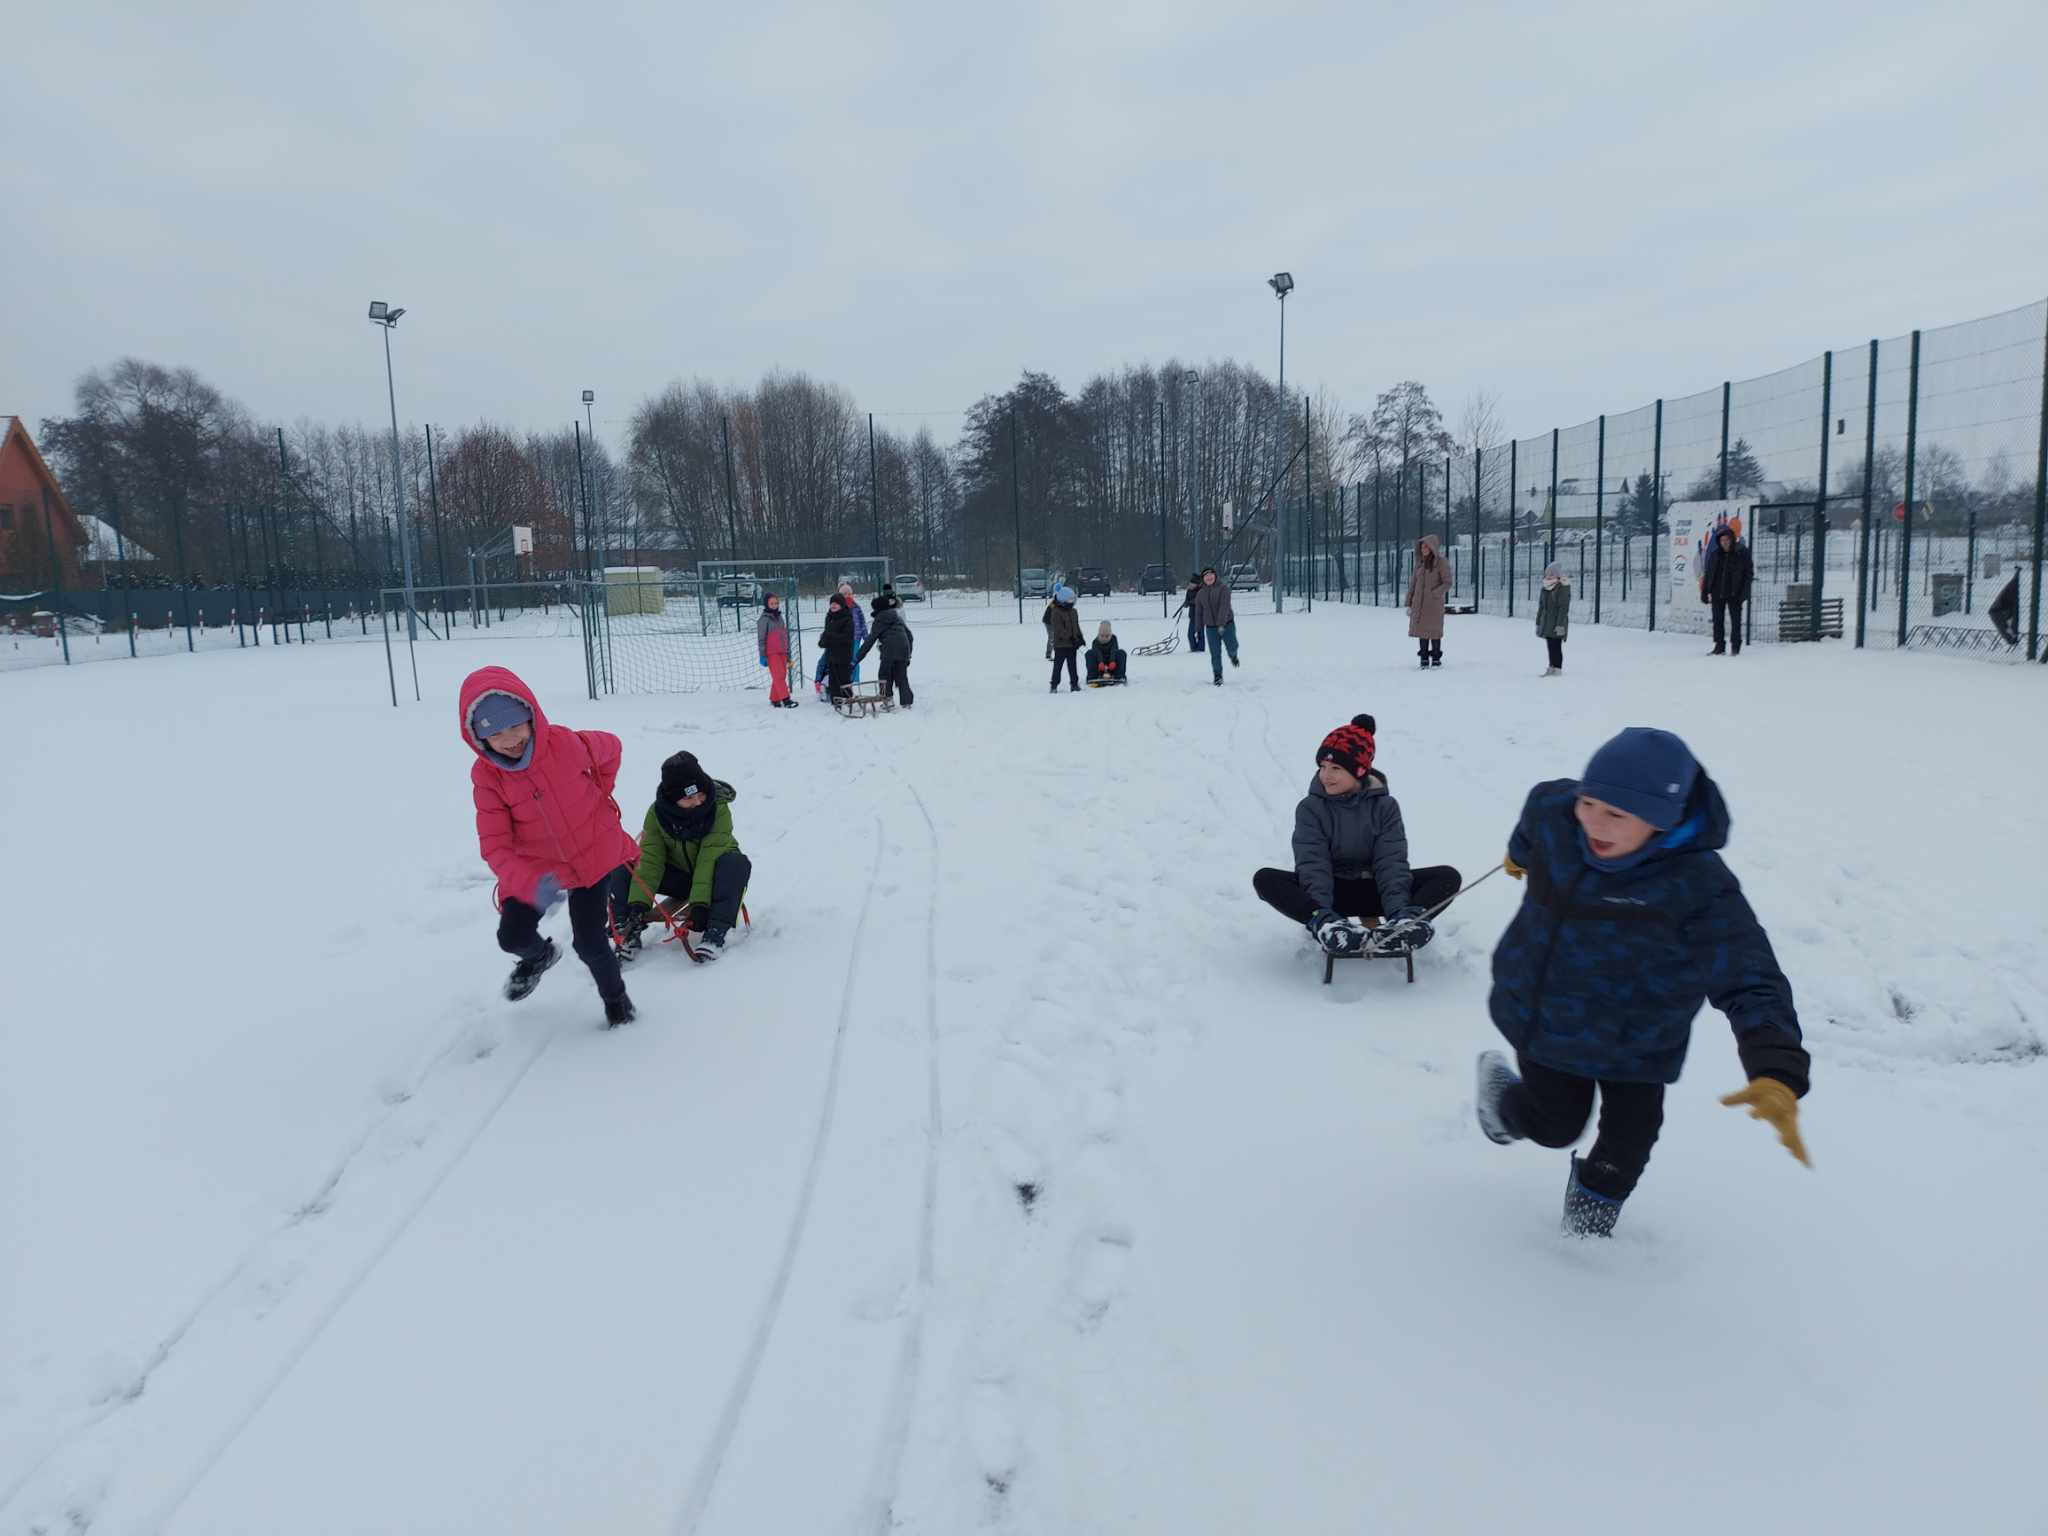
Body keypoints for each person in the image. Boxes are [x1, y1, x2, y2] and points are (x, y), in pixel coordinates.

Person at [1475, 727, 1812, 1237]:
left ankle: (1583, 1241)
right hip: (1548, 1015)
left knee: (1630, 1142)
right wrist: (1521, 854)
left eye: (1616, 814)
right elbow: (1536, 818)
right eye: (1589, 803)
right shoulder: (1555, 811)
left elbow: (1749, 972)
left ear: (1662, 819)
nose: (1593, 822)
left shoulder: (1697, 884)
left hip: (1640, 1036)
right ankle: (1501, 1102)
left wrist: (1775, 1065)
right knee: (1555, 1126)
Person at [459, 666, 641, 1027]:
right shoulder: (487, 777)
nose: (509, 739)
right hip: (537, 869)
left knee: (590, 943)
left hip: (590, 856)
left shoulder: (566, 744)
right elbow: (495, 845)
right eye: (494, 733)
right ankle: (539, 956)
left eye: (514, 726)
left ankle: (617, 1000)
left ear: (531, 716)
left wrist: (601, 793)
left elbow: (612, 748)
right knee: (512, 936)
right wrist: (527, 882)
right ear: (478, 739)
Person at [1253, 714, 1461, 956]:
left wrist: (1397, 911)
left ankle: (1406, 925)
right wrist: (1324, 913)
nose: (1326, 775)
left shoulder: (1385, 807)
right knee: (1266, 878)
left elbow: (1391, 862)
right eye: (1322, 767)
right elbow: (1313, 865)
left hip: (1375, 890)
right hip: (1332, 894)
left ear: (1360, 771)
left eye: (1336, 768)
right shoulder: (1311, 808)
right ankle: (1328, 926)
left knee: (1447, 876)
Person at [619, 750, 752, 961]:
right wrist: (638, 905)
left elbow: (709, 858)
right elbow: (650, 861)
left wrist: (700, 905)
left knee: (736, 863)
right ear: (673, 800)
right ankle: (627, 930)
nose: (699, 802)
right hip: (681, 877)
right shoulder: (657, 815)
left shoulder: (718, 808)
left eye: (701, 794)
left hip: (716, 876)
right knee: (624, 866)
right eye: (689, 797)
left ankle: (715, 933)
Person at [856, 588, 915, 707]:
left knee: (884, 674)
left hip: (889, 650)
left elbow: (870, 640)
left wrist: (857, 658)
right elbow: (910, 636)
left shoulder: (879, 619)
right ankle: (907, 702)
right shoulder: (897, 617)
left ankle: (887, 699)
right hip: (904, 648)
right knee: (902, 675)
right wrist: (908, 654)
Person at [1700, 526, 1754, 655]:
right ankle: (1719, 646)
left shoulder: (1742, 553)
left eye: (1727, 539)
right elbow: (1709, 574)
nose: (1724, 542)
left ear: (1732, 540)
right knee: (1717, 620)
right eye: (1722, 540)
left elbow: (1748, 574)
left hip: (1735, 592)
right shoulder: (1715, 554)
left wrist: (1744, 592)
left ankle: (1735, 646)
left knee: (1736, 621)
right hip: (1717, 592)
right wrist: (1705, 591)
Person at [1406, 535, 1451, 668]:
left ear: (1432, 547)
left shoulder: (1441, 562)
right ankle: (1424, 657)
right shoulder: (1419, 563)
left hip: (1434, 604)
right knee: (1422, 631)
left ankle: (1436, 657)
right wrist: (1409, 602)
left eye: (1426, 546)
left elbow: (1447, 582)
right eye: (1422, 546)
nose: (1424, 549)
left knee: (1435, 631)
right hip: (1419, 604)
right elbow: (1413, 584)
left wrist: (1435, 594)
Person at [1191, 566, 1239, 685]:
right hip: (1211, 627)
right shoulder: (1201, 594)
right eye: (1206, 576)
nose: (1209, 577)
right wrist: (1198, 629)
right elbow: (1199, 613)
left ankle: (1233, 655)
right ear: (1203, 579)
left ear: (1215, 576)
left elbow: (1224, 607)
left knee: (1232, 645)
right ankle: (1218, 675)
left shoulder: (1223, 589)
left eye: (1211, 575)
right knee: (1215, 653)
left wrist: (1221, 625)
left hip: (1227, 624)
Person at [757, 590, 796, 709]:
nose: (774, 605)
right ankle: (786, 699)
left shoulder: (779, 617)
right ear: (767, 604)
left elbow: (784, 635)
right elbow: (761, 638)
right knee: (778, 675)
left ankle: (774, 699)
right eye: (772, 603)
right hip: (771, 652)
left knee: (782, 675)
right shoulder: (764, 619)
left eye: (776, 603)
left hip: (782, 651)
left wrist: (788, 654)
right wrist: (763, 655)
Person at [1044, 584, 1084, 693]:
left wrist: (1080, 637)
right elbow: (1059, 629)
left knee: (1073, 666)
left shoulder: (1074, 612)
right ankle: (1054, 685)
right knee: (1058, 666)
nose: (1071, 604)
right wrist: (1070, 637)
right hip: (1061, 645)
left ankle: (1074, 684)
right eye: (1069, 601)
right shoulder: (1056, 612)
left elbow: (1076, 626)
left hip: (1072, 646)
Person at [1535, 560, 1570, 676]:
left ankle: (1557, 669)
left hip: (1557, 622)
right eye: (1547, 573)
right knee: (1550, 645)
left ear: (1557, 574)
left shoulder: (1562, 587)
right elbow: (1541, 606)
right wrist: (1538, 622)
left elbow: (1563, 608)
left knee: (1556, 645)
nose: (1548, 576)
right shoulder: (1545, 587)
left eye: (1551, 573)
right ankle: (1551, 667)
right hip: (1547, 623)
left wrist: (1560, 626)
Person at [818, 592, 856, 698]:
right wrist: (823, 641)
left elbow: (847, 637)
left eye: (836, 603)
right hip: (831, 654)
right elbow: (826, 633)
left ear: (842, 605)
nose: (833, 605)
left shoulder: (847, 618)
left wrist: (831, 637)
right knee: (833, 678)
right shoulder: (829, 617)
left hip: (843, 654)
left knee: (843, 677)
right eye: (832, 603)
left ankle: (847, 698)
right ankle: (836, 699)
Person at [1086, 620, 1128, 685]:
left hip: (1112, 665)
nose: (1104, 638)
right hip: (1100, 666)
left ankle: (1120, 676)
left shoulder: (1113, 639)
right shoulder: (1095, 642)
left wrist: (1112, 661)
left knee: (1121, 653)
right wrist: (1101, 662)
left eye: (1107, 636)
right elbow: (1097, 653)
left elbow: (1114, 650)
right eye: (1102, 636)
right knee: (1089, 653)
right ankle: (1092, 677)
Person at [1183, 572, 1205, 653]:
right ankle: (1194, 648)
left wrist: (1190, 602)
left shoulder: (1202, 590)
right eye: (1190, 583)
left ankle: (1200, 648)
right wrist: (1186, 603)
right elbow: (1187, 600)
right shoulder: (1189, 590)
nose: (1191, 585)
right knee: (1190, 634)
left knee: (1200, 634)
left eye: (1193, 583)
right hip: (1192, 616)